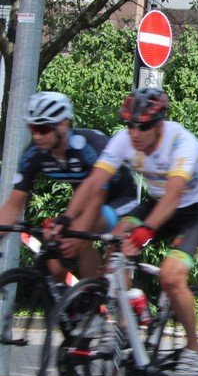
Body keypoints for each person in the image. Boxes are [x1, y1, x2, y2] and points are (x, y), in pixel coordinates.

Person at [59, 88, 198, 376]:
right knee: (116, 240)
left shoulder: (182, 143)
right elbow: (95, 180)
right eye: (129, 124)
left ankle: (194, 348)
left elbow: (173, 197)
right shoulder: (124, 140)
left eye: (142, 126)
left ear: (159, 124)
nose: (135, 133)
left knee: (171, 277)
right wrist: (67, 219)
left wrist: (145, 231)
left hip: (196, 210)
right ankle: (122, 323)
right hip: (159, 203)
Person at [1, 92, 138, 281]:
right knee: (55, 265)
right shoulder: (34, 154)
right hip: (85, 202)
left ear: (63, 125)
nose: (36, 136)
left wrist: (76, 234)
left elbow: (97, 197)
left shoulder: (87, 146)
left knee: (79, 238)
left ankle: (110, 300)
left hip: (120, 198)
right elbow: (15, 202)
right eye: (32, 128)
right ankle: (85, 303)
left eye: (43, 128)